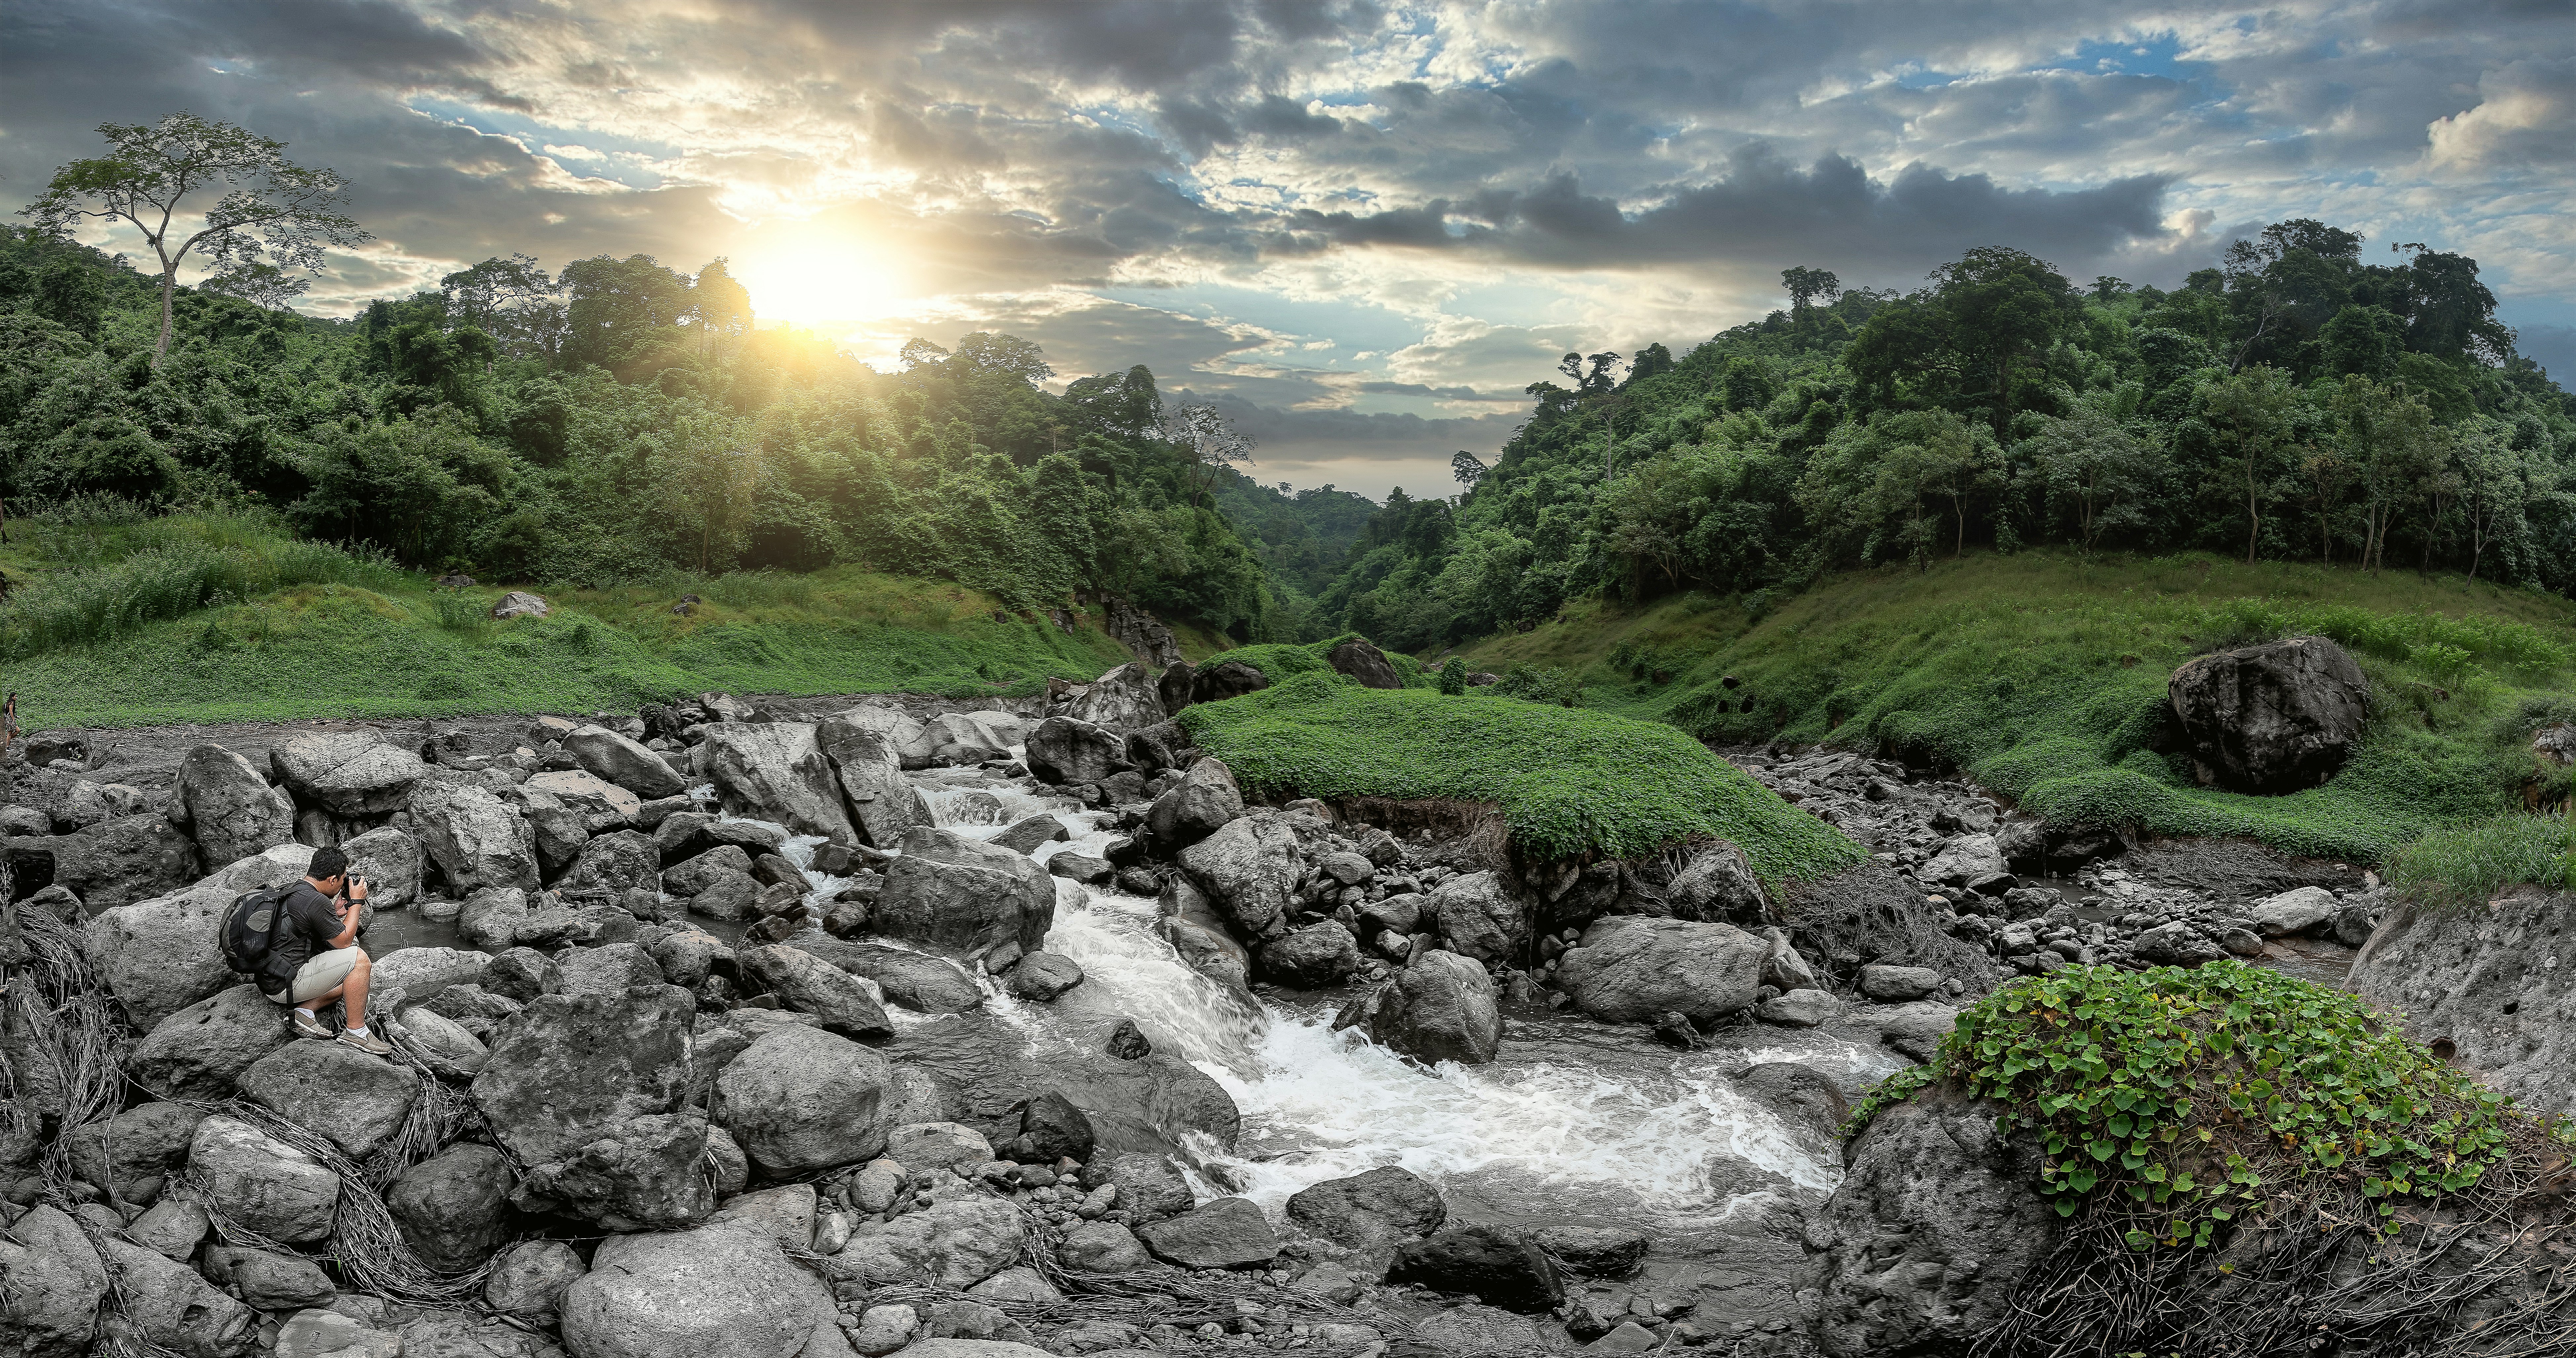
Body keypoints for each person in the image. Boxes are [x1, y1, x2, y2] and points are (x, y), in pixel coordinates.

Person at [260, 845, 392, 1056]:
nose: (343, 885)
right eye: (342, 880)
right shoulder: (315, 901)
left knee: (354, 986)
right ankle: (356, 1032)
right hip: (286, 985)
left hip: (272, 977)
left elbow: (310, 929)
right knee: (360, 961)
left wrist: (336, 912)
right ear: (332, 880)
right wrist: (357, 902)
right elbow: (344, 942)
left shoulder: (293, 889)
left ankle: (305, 1010)